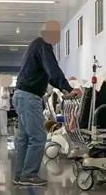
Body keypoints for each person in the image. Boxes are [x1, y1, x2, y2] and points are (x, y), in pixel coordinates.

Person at [13, 20, 80, 186]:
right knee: (38, 136)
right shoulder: (44, 45)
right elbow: (52, 70)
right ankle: (28, 175)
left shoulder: (35, 45)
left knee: (24, 138)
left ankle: (20, 174)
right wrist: (67, 88)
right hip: (29, 97)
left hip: (21, 95)